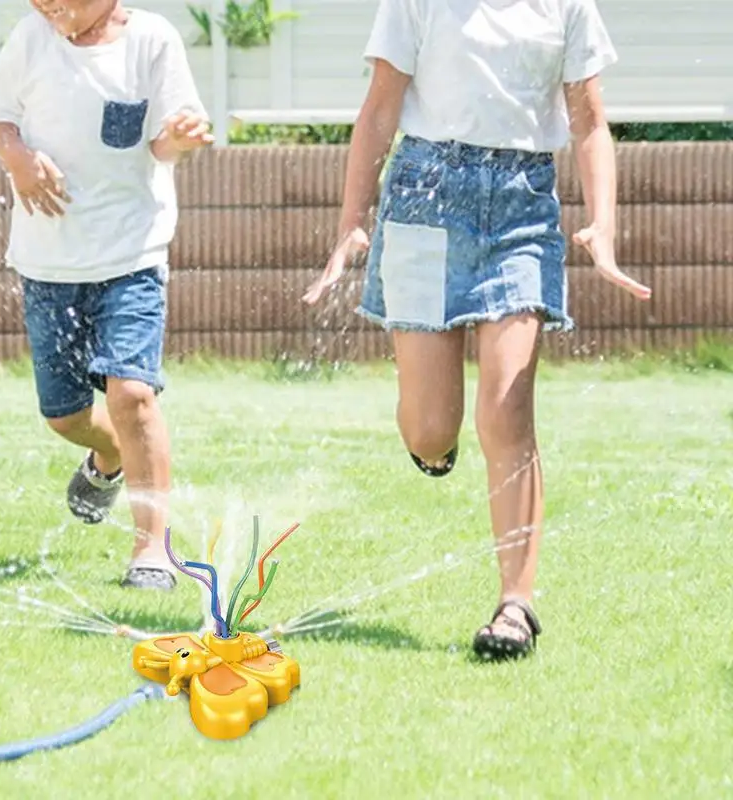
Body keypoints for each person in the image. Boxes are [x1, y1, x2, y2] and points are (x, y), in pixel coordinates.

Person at [303, 0, 651, 659]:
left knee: (507, 407)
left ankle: (515, 604)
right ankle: (434, 448)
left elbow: (589, 121)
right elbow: (380, 109)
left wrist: (603, 225)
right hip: (423, 196)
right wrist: (353, 216)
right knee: (431, 429)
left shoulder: (567, 5)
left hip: (520, 206)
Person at [0, 0, 213, 590]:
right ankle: (107, 457)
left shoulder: (152, 40)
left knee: (132, 393)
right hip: (48, 260)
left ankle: (152, 547)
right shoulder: (32, 38)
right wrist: (18, 159)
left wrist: (180, 139)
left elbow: (163, 142)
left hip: (131, 253)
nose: (50, 7)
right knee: (65, 416)